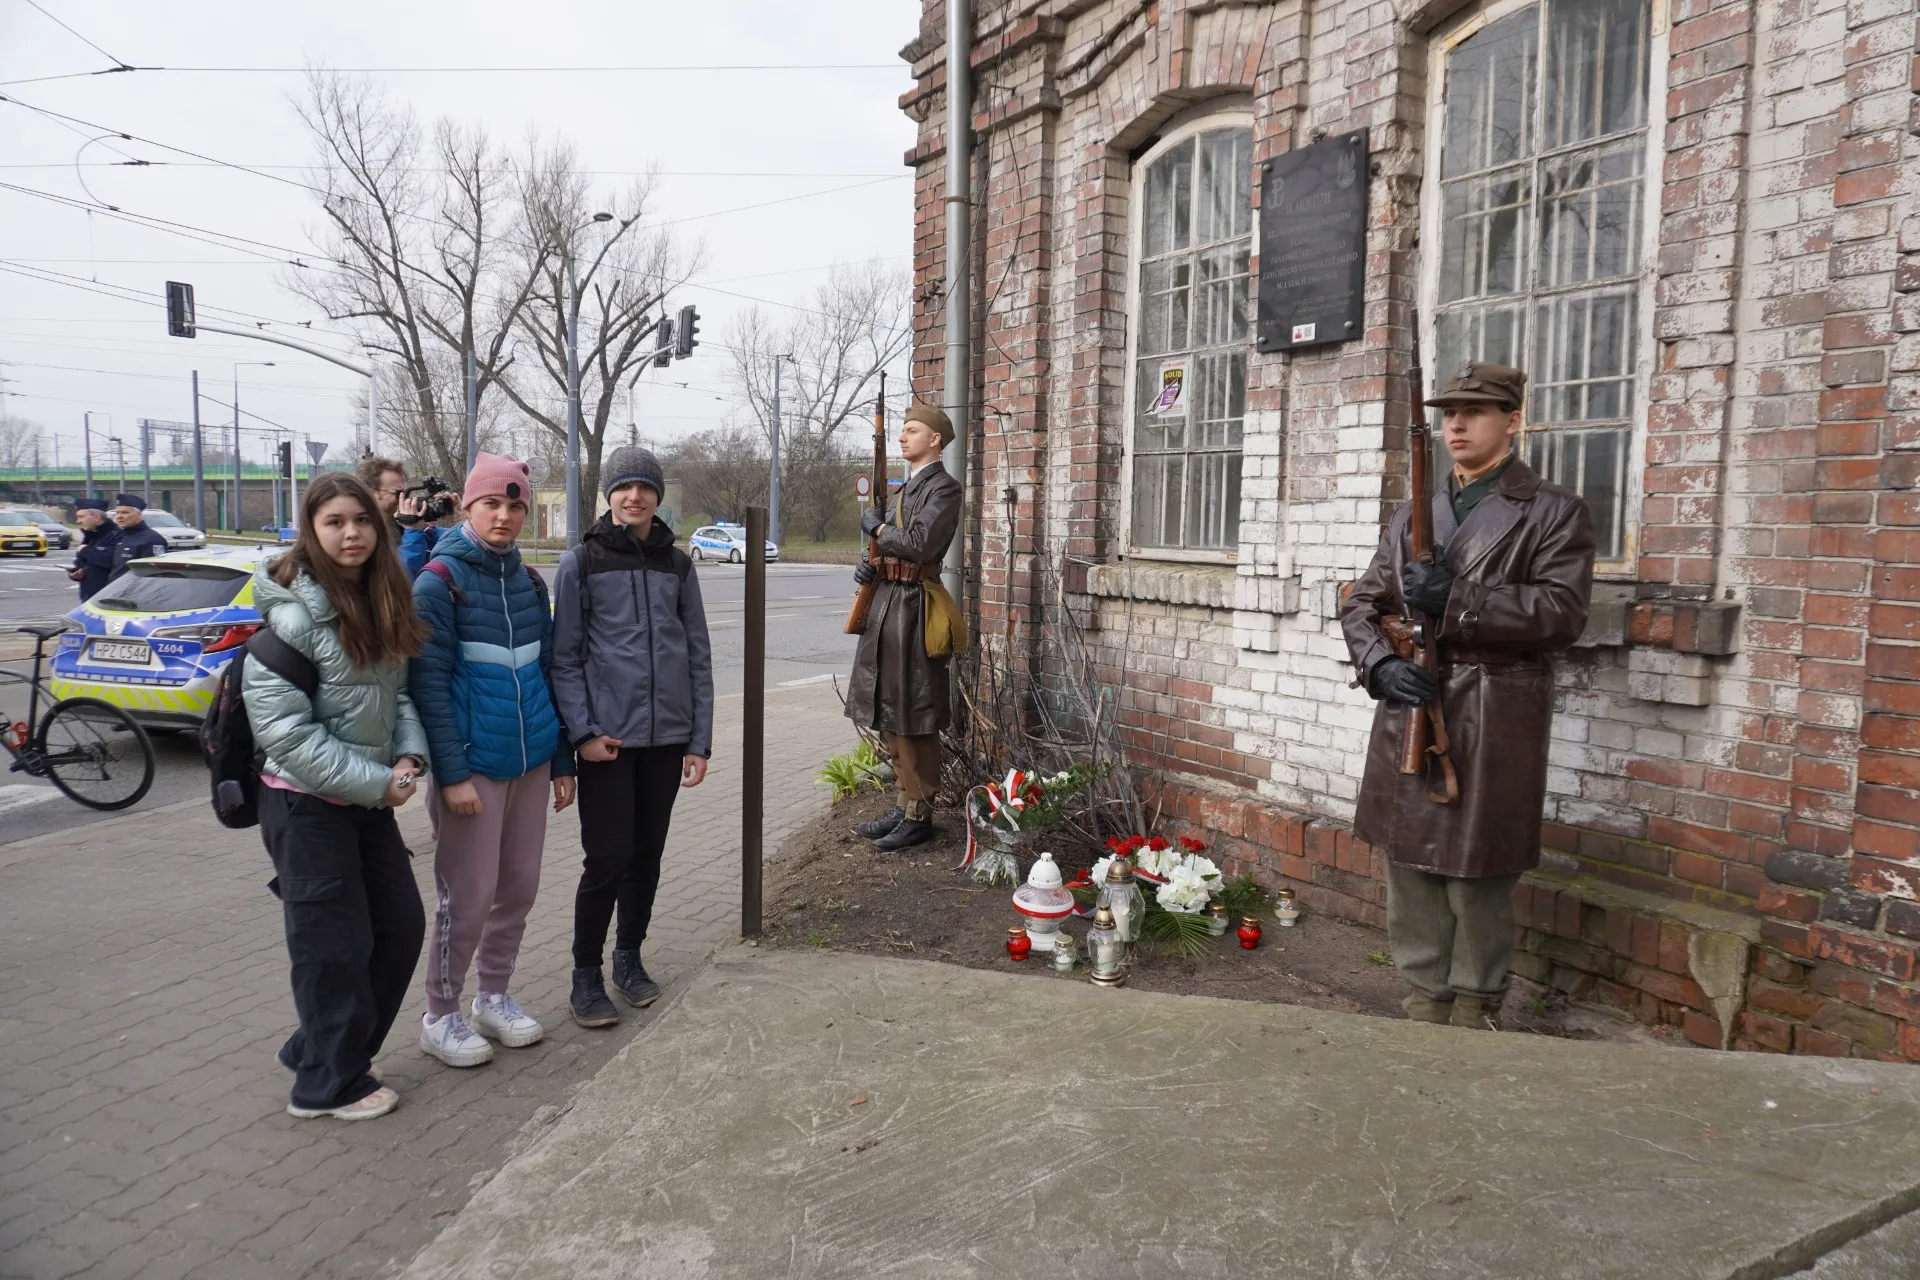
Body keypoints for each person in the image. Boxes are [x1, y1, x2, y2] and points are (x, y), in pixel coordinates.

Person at [1339, 361, 1595, 1031]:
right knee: (1411, 868)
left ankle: (1477, 1003)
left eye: (1475, 411)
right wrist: (1378, 666)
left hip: (1493, 708)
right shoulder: (1412, 512)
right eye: (1448, 411)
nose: (1456, 423)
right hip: (1411, 702)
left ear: (1512, 419)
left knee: (1477, 873)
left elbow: (1562, 613)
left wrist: (1457, 599)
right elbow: (1364, 599)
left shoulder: (1552, 510)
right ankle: (1423, 998)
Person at [246, 471, 432, 1120]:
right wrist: (380, 782)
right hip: (303, 805)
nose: (350, 533)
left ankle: (320, 1047)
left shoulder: (380, 597)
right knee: (333, 947)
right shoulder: (293, 616)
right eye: (333, 523)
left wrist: (409, 755)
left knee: (401, 927)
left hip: (368, 800)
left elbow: (397, 694)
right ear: (311, 531)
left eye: (361, 520)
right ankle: (326, 1085)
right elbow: (287, 737)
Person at [409, 453, 575, 1068]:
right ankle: (441, 1012)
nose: (504, 516)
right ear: (467, 506)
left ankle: (494, 996)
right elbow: (428, 689)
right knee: (469, 895)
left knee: (518, 888)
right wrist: (452, 776)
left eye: (514, 506)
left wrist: (562, 762)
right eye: (491, 505)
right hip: (473, 770)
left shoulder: (530, 583)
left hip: (531, 761)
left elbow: (548, 675)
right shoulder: (439, 582)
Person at [551, 445, 712, 1028]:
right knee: (607, 859)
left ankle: (628, 959)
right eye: (624, 488)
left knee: (646, 856)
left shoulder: (678, 565)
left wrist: (699, 740)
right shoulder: (582, 563)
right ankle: (585, 974)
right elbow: (564, 659)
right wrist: (584, 733)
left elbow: (697, 654)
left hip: (667, 741)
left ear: (657, 497)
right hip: (607, 743)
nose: (634, 497)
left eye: (644, 487)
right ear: (609, 496)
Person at [843, 404, 963, 852]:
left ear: (935, 439)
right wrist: (867, 564)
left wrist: (878, 529)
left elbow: (921, 543)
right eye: (902, 430)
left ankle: (920, 813)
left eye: (912, 430)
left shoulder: (944, 489)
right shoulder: (906, 489)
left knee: (915, 711)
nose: (901, 437)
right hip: (887, 602)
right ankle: (905, 800)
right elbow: (889, 546)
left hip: (914, 607)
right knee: (888, 707)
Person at [355, 455, 452, 579]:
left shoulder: (400, 521)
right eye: (398, 493)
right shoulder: (364, 532)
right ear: (371, 492)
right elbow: (399, 579)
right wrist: (413, 532)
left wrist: (460, 513)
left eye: (406, 492)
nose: (404, 498)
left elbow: (452, 542)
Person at [105, 494, 168, 579]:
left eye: (125, 512)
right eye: (117, 512)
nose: (119, 516)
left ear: (139, 514)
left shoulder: (152, 539)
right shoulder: (119, 536)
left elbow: (153, 574)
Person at [67, 498, 115, 601]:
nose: (78, 521)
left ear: (97, 517)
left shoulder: (115, 536)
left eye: (81, 517)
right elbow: (81, 563)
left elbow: (109, 561)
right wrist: (76, 573)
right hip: (89, 599)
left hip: (108, 599)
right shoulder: (90, 536)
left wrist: (85, 550)